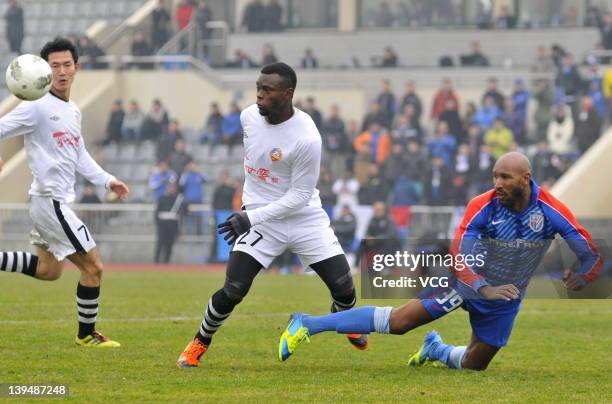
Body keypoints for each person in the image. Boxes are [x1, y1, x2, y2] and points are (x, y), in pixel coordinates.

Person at [278, 152, 602, 370]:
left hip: (505, 295)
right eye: (494, 176)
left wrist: (584, 276)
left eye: (505, 178)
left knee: (476, 364)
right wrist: (481, 286)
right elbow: (459, 254)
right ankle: (307, 323)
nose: (497, 184)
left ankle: (437, 350)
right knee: (401, 322)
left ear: (525, 178)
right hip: (463, 281)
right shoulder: (483, 205)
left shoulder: (551, 211)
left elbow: (591, 252)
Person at [176, 63, 368, 368]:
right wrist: (251, 211)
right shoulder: (248, 117)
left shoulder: (307, 138)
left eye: (267, 90)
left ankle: (347, 319)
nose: (259, 96)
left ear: (288, 93)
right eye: (258, 88)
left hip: (303, 217)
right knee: (234, 289)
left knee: (345, 288)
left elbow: (300, 196)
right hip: (261, 218)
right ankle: (200, 340)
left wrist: (250, 217)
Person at [0, 37, 130, 347]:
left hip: (48, 204)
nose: (61, 71)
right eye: (54, 65)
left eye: (66, 65)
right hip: (50, 204)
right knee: (94, 268)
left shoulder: (71, 110)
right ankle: (87, 335)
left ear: (77, 68)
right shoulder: (36, 106)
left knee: (48, 271)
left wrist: (108, 180)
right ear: (44, 71)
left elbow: (80, 154)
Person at [154, 181, 184, 263]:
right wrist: (158, 223)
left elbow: (182, 210)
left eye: (173, 187)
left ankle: (166, 262)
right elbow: (157, 211)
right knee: (160, 243)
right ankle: (156, 261)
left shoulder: (178, 199)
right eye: (170, 187)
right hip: (162, 223)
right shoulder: (162, 198)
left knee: (170, 243)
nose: (171, 189)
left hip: (172, 224)